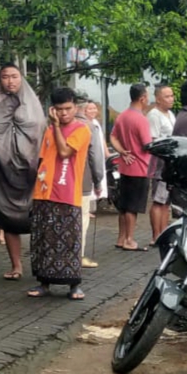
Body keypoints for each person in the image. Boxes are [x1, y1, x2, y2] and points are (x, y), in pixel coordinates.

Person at [0, 64, 47, 281]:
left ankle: (42, 262)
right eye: (5, 77)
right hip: (2, 169)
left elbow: (38, 129)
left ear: (21, 78)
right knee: (8, 217)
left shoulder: (32, 102)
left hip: (32, 169)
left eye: (14, 76)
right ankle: (16, 265)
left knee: (39, 217)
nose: (10, 81)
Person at [26, 88, 93, 301]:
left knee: (69, 239)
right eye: (60, 109)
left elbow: (65, 152)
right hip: (44, 193)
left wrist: (55, 126)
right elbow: (42, 160)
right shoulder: (47, 132)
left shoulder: (82, 130)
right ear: (52, 109)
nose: (64, 113)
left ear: (75, 107)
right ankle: (43, 282)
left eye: (68, 109)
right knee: (43, 239)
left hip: (67, 193)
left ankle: (74, 285)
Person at [109, 84, 152, 251]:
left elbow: (113, 137)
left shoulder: (122, 116)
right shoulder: (141, 119)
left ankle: (121, 238)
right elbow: (147, 144)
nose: (148, 99)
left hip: (125, 166)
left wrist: (122, 151)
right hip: (140, 167)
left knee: (124, 205)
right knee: (132, 207)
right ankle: (129, 239)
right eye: (147, 96)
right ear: (142, 98)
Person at [146, 84, 177, 244]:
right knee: (158, 201)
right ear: (158, 99)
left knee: (166, 202)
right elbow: (153, 141)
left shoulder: (170, 114)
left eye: (172, 95)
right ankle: (155, 235)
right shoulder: (154, 115)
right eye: (167, 96)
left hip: (170, 163)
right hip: (160, 163)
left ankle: (164, 234)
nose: (171, 99)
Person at [79, 100, 106, 268]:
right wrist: (98, 182)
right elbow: (95, 157)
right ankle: (78, 256)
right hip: (83, 180)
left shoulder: (55, 125)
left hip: (59, 183)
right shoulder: (89, 127)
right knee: (81, 219)